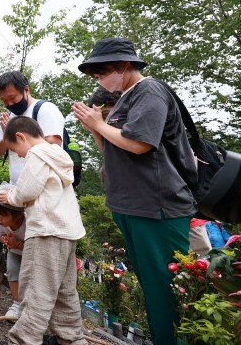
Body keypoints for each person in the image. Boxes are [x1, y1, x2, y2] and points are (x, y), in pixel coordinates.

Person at [72, 37, 197, 345]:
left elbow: (141, 144)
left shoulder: (149, 90)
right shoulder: (126, 98)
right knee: (153, 289)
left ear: (125, 65)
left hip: (156, 205)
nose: (100, 80)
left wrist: (100, 125)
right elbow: (114, 151)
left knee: (167, 291)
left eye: (102, 73)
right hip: (130, 205)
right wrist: (96, 128)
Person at [0, 116, 87, 345]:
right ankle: (70, 338)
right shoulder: (57, 154)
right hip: (67, 232)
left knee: (36, 290)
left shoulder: (37, 154)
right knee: (65, 292)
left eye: (15, 149)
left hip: (47, 231)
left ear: (21, 137)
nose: (19, 155)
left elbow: (26, 191)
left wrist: (11, 196)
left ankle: (23, 340)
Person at [0, 71, 65, 184]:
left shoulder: (46, 109)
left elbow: (52, 146)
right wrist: (7, 137)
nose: (9, 104)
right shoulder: (7, 118)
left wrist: (13, 135)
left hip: (45, 186)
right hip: (17, 187)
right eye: (4, 100)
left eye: (12, 97)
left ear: (26, 90)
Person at [0, 198, 25, 318]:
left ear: (18, 215)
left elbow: (36, 246)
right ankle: (17, 303)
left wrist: (17, 244)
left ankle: (29, 307)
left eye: (3, 215)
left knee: (29, 278)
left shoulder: (28, 222)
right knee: (12, 273)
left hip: (31, 253)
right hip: (14, 250)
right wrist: (6, 240)